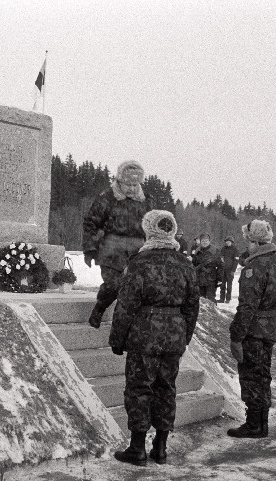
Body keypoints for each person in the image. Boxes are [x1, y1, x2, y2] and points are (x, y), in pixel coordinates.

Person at [109, 210, 200, 465]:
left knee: (140, 389)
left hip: (144, 336)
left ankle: (137, 448)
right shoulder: (185, 264)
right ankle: (160, 448)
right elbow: (193, 305)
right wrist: (184, 337)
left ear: (149, 230)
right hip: (173, 337)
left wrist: (118, 339)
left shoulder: (140, 262)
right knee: (166, 389)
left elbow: (126, 305)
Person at [227, 220, 276, 439]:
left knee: (252, 377)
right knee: (263, 376)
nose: (247, 247)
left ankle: (254, 425)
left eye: (248, 241)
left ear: (254, 241)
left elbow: (246, 306)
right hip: (270, 330)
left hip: (253, 331)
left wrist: (236, 335)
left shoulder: (254, 268)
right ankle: (261, 424)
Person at [83, 161, 152, 328]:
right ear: (119, 181)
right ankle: (99, 309)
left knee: (136, 289)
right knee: (113, 285)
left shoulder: (146, 200)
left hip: (138, 250)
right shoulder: (107, 197)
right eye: (127, 184)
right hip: (111, 248)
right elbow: (91, 223)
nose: (131, 188)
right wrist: (89, 248)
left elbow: (151, 227)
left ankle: (123, 324)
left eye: (135, 184)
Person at [192, 233, 222, 301]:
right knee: (201, 300)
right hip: (199, 279)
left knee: (210, 300)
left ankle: (213, 312)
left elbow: (221, 266)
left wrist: (219, 278)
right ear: (200, 242)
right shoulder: (197, 251)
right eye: (203, 241)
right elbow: (194, 264)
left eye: (206, 240)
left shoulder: (215, 251)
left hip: (211, 279)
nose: (204, 242)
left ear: (209, 241)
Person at [219, 236, 239, 303]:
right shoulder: (223, 249)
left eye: (229, 241)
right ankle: (221, 299)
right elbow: (220, 257)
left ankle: (228, 299)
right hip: (223, 270)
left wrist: (233, 270)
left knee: (229, 285)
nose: (227, 242)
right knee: (222, 285)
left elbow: (236, 261)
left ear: (231, 242)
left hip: (230, 270)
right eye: (226, 241)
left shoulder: (235, 250)